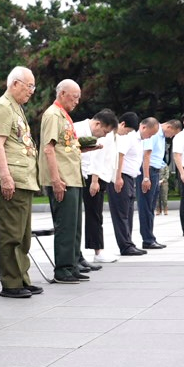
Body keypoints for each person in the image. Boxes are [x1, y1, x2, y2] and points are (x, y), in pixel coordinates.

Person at [0, 66, 42, 300]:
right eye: (29, 85)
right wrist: (5, 177)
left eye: (33, 86)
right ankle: (11, 282)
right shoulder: (3, 107)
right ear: (15, 84)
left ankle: (22, 278)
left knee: (23, 235)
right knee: (12, 234)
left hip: (24, 179)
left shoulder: (16, 108)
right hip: (13, 180)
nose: (32, 91)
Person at [41, 80, 88, 283]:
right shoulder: (53, 114)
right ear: (62, 94)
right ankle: (62, 269)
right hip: (63, 179)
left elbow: (65, 146)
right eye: (74, 96)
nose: (77, 101)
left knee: (75, 225)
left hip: (72, 176)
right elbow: (49, 148)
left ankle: (73, 263)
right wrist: (56, 180)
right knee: (65, 225)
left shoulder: (64, 116)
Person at [108, 113, 148, 257]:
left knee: (128, 212)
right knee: (121, 213)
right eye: (129, 130)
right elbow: (120, 155)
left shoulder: (130, 137)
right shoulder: (126, 138)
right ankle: (125, 245)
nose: (129, 133)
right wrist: (118, 177)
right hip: (121, 177)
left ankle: (128, 243)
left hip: (129, 178)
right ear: (123, 124)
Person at [81, 110, 115, 265]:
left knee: (96, 214)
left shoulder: (99, 134)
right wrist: (95, 180)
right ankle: (97, 250)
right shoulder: (78, 128)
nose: (105, 135)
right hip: (88, 176)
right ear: (98, 124)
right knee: (93, 214)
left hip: (96, 176)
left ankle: (97, 249)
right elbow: (95, 157)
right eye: (105, 131)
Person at [138, 116, 167, 250]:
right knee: (146, 207)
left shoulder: (157, 134)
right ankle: (147, 239)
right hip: (147, 171)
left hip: (154, 171)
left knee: (150, 207)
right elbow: (146, 155)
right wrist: (146, 177)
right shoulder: (153, 134)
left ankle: (150, 237)